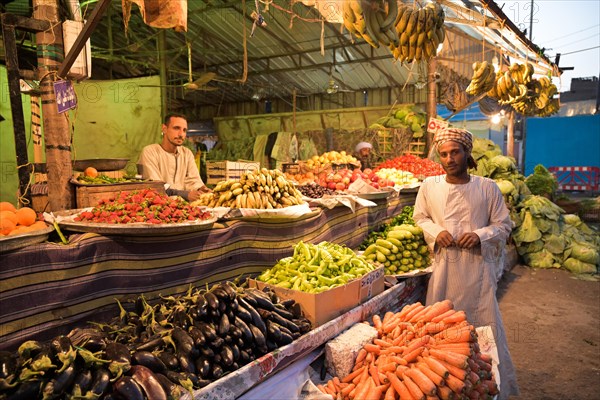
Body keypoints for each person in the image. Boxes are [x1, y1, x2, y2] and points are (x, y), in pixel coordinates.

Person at [413, 127, 519, 399]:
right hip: (444, 272)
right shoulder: (429, 186)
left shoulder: (487, 188)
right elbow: (420, 218)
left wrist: (480, 235)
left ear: (467, 153)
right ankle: (446, 389)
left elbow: (504, 224)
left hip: (477, 275)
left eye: (455, 152)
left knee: (483, 331)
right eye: (444, 154)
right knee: (440, 335)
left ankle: (488, 389)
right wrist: (437, 232)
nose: (449, 159)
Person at [138, 113, 210, 202]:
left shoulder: (186, 153)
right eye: (176, 128)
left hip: (186, 209)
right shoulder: (150, 152)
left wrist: (202, 189)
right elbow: (156, 188)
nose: (181, 134)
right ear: (164, 129)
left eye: (184, 130)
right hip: (160, 209)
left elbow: (193, 180)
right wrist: (186, 195)